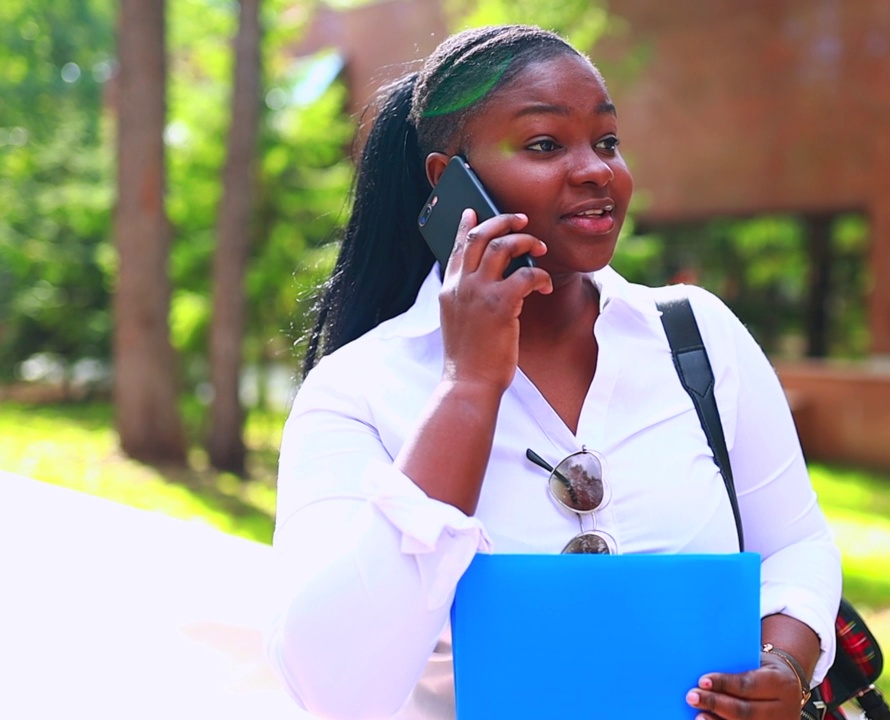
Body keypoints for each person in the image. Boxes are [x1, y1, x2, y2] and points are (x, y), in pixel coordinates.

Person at [266, 24, 842, 720]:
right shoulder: (358, 389)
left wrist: (784, 664)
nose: (597, 169)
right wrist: (468, 386)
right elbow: (332, 686)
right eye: (544, 144)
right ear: (451, 184)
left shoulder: (697, 336)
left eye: (606, 141)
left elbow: (796, 543)